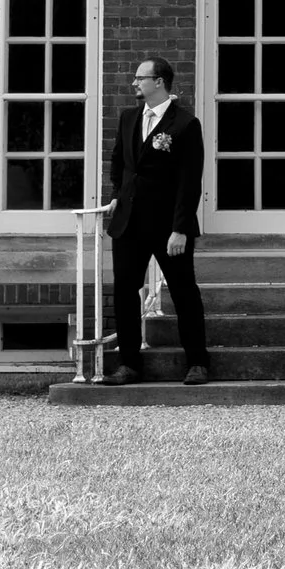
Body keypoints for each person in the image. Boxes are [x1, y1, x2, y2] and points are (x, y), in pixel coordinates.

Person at [100, 56, 210, 386]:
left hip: (168, 227)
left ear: (159, 81)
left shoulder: (185, 124)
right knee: (124, 293)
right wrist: (117, 194)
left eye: (140, 78)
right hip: (129, 223)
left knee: (184, 292)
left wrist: (180, 229)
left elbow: (190, 182)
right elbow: (119, 162)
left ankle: (197, 362)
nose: (134, 83)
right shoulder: (128, 117)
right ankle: (129, 364)